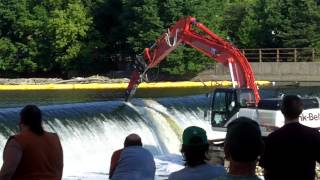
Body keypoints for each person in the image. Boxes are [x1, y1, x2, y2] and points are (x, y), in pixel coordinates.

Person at [260, 95, 320, 180]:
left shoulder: (273, 138)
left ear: (282, 110)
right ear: (301, 110)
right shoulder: (314, 135)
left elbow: (266, 171)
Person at [0, 104, 63, 180]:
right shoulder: (54, 138)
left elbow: (7, 173)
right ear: (40, 121)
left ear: (21, 121)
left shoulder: (17, 141)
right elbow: (59, 168)